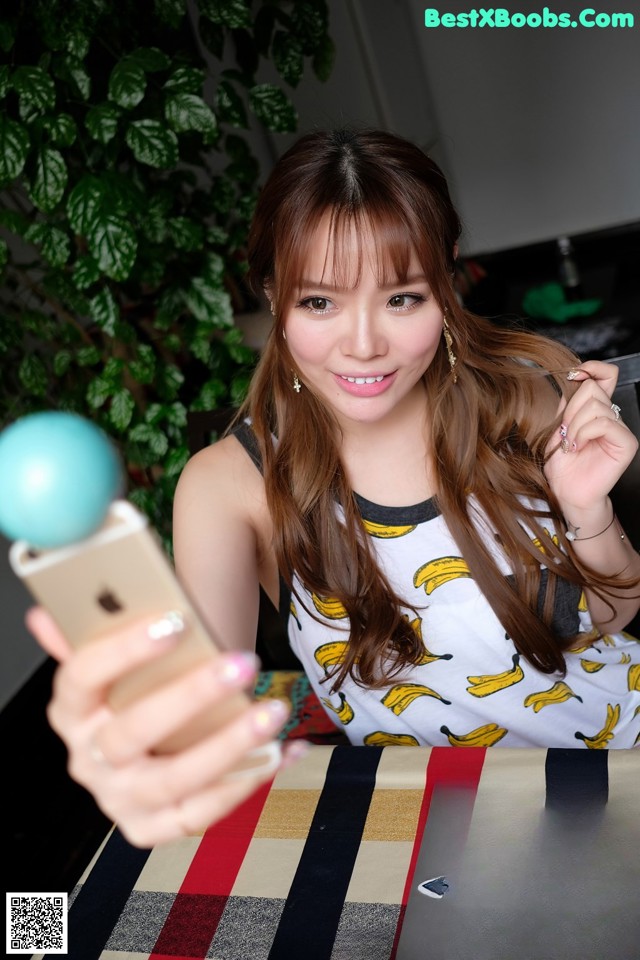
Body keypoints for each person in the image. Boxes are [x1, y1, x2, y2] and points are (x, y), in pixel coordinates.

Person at [30, 129, 640, 847]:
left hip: (621, 759)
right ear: (273, 299)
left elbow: (613, 614)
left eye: (402, 298)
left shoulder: (525, 399)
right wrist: (146, 754)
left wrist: (585, 510)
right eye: (319, 302)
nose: (363, 344)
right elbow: (202, 724)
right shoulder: (232, 487)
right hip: (441, 826)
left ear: (445, 289)